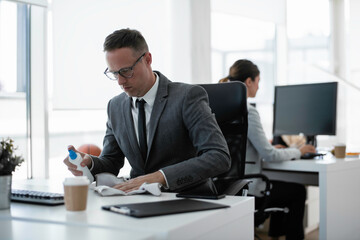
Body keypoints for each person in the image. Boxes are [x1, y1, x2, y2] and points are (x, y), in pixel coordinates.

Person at [63, 28, 230, 193]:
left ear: (148, 59)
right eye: (114, 73)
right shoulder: (115, 106)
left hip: (186, 197)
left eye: (126, 71)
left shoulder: (186, 97)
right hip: (138, 200)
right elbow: (111, 163)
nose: (120, 81)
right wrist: (89, 163)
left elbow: (218, 156)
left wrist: (159, 177)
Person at [220, 59, 316, 240]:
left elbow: (240, 147)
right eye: (258, 81)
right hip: (247, 189)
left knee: (282, 186)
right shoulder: (248, 110)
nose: (258, 86)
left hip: (225, 187)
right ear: (249, 81)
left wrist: (267, 145)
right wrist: (300, 151)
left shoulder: (223, 106)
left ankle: (275, 236)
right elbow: (269, 155)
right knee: (298, 191)